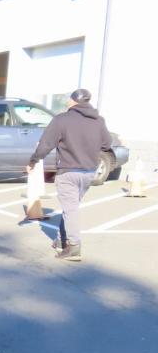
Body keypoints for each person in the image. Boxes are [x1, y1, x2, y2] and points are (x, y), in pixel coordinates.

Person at [26, 88, 112, 261]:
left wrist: (33, 161)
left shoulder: (62, 119)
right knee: (70, 208)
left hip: (68, 171)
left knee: (70, 209)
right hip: (89, 171)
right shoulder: (98, 120)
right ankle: (60, 240)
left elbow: (45, 144)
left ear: (73, 101)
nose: (67, 102)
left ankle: (74, 247)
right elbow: (107, 143)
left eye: (68, 99)